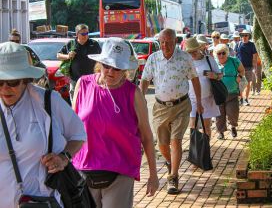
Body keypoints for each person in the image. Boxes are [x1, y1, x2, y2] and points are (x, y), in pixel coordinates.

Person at [72, 37, 158, 207]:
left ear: (125, 69)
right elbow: (72, 128)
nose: (111, 72)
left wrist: (153, 175)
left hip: (120, 172)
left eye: (117, 68)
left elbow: (147, 136)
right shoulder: (83, 84)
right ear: (99, 64)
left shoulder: (133, 93)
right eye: (106, 66)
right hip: (83, 169)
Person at [0, 42, 86, 208]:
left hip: (39, 202)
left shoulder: (47, 101)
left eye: (12, 82)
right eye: (0, 81)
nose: (5, 88)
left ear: (26, 80)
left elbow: (79, 134)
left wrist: (63, 158)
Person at [140, 28, 203, 195]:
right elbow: (145, 80)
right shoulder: (153, 59)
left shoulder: (185, 58)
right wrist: (140, 99)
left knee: (176, 141)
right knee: (162, 144)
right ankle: (170, 161)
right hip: (160, 107)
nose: (164, 45)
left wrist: (199, 102)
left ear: (175, 42)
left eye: (168, 42)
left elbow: (195, 79)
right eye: (162, 42)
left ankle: (173, 177)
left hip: (181, 105)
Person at [185, 37, 221, 138]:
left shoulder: (208, 59)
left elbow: (220, 75)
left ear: (199, 48)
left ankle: (205, 149)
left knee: (206, 127)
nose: (192, 54)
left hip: (207, 98)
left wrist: (215, 76)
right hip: (192, 98)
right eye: (189, 52)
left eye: (194, 51)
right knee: (193, 126)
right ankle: (195, 149)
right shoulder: (187, 62)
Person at [57, 24, 101, 101]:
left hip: (91, 80)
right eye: (83, 34)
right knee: (75, 102)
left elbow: (101, 58)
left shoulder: (93, 44)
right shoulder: (71, 44)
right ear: (77, 34)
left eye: (87, 33)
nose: (86, 36)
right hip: (75, 79)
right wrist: (68, 56)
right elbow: (58, 55)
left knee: (90, 101)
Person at [213, 44, 245, 140]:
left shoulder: (234, 61)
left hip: (232, 92)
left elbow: (242, 70)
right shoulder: (214, 63)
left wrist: (239, 77)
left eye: (223, 53)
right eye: (219, 53)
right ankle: (221, 132)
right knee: (219, 114)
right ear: (216, 54)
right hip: (219, 93)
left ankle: (233, 127)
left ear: (227, 53)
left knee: (233, 112)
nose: (221, 55)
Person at [234, 30, 258, 106]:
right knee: (240, 84)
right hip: (239, 68)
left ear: (248, 36)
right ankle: (241, 98)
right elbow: (235, 56)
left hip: (248, 67)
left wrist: (255, 67)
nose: (244, 37)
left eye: (246, 35)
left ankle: (246, 99)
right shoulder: (238, 44)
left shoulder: (252, 45)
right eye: (243, 35)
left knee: (247, 84)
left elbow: (254, 57)